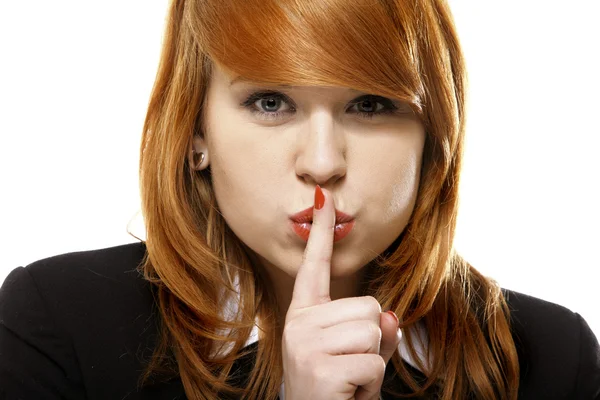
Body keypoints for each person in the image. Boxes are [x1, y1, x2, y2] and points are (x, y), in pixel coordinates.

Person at [1, 0, 599, 399]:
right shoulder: (58, 324)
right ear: (196, 133)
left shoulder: (550, 358)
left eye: (369, 105)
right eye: (270, 102)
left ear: (433, 137)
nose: (322, 163)